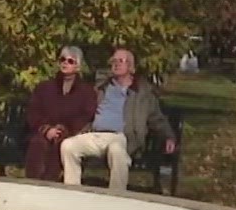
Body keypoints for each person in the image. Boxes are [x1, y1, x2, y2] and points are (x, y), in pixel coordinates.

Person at [61, 47, 176, 192]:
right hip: (96, 134)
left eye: (121, 61)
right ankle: (72, 192)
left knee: (117, 150)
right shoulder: (102, 87)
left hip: (121, 137)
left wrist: (169, 136)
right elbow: (84, 109)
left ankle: (116, 195)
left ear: (131, 67)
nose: (116, 64)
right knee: (68, 145)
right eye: (114, 61)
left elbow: (157, 118)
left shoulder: (142, 94)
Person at [23, 45, 97, 182]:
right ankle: (31, 184)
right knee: (37, 144)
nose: (65, 63)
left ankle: (51, 186)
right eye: (62, 59)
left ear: (78, 66)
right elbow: (33, 112)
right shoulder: (44, 88)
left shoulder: (87, 92)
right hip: (43, 132)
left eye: (71, 61)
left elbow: (86, 116)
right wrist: (47, 130)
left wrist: (63, 130)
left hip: (70, 134)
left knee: (62, 146)